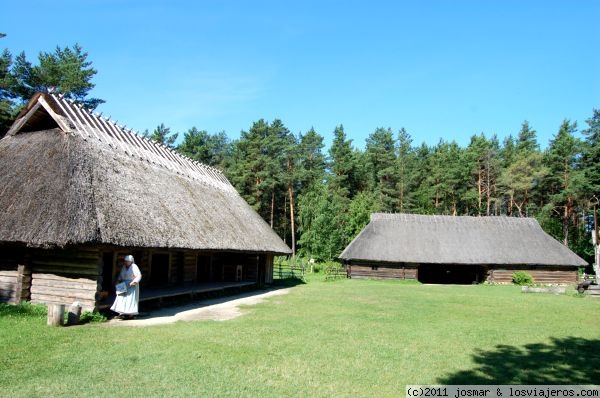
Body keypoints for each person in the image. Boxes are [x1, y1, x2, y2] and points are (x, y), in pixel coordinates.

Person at [110, 255, 142, 320]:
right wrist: (118, 281)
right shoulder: (124, 267)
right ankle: (121, 313)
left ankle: (130, 314)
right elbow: (121, 275)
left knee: (130, 299)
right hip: (123, 284)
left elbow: (139, 275)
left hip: (132, 285)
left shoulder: (134, 266)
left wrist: (135, 281)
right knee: (120, 298)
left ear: (131, 261)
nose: (126, 262)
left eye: (127, 261)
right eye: (125, 261)